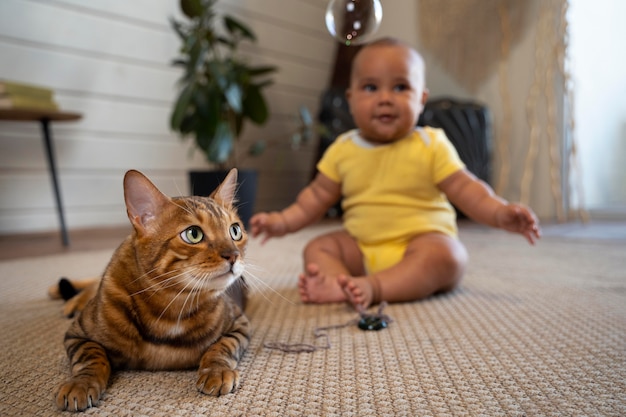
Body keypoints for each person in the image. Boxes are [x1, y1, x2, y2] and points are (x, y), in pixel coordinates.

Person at [250, 37, 541, 310]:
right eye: (371, 88)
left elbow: (468, 189)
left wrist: (500, 213)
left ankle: (374, 287)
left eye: (401, 87)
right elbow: (314, 197)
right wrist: (282, 222)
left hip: (420, 244)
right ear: (350, 100)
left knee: (450, 256)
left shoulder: (431, 144)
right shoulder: (343, 149)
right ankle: (340, 284)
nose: (385, 98)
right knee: (318, 247)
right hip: (362, 248)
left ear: (422, 99)